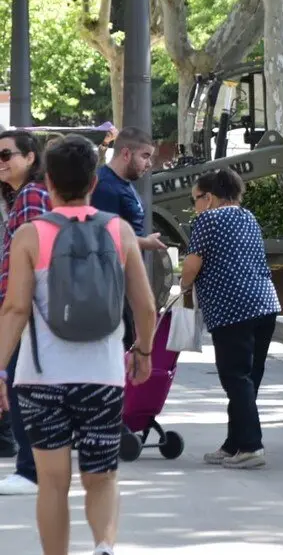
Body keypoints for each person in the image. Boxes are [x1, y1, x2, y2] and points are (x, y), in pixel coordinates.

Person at [0, 134, 157, 555]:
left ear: (47, 181)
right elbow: (146, 307)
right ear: (93, 182)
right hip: (102, 376)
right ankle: (104, 546)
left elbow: (15, 310)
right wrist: (143, 353)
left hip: (41, 379)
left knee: (52, 482)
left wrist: (0, 369)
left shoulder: (30, 236)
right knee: (101, 475)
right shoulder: (119, 231)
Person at [179, 169, 281, 470]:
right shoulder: (248, 218)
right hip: (265, 303)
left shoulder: (208, 220)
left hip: (233, 308)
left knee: (235, 377)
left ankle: (250, 446)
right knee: (249, 379)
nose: (195, 206)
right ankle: (234, 444)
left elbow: (192, 264)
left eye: (196, 199)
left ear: (209, 198)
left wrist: (184, 287)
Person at [0, 130, 50, 496]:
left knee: (18, 384)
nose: (1, 162)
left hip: (25, 307)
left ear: (31, 157)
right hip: (23, 306)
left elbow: (31, 257)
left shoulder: (32, 194)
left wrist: (18, 308)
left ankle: (29, 470)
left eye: (6, 155)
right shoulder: (18, 196)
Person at [90, 127, 166, 352]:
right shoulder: (105, 186)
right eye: (145, 156)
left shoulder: (122, 183)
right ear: (125, 153)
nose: (149, 163)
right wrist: (144, 242)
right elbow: (104, 235)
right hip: (112, 283)